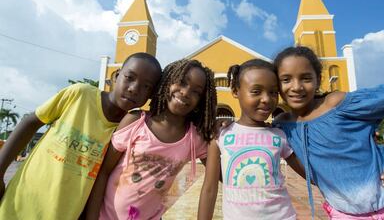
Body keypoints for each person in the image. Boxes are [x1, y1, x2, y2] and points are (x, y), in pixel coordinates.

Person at [0, 52, 162, 220]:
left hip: (67, 213)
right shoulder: (80, 94)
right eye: (130, 77)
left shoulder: (130, 130)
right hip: (20, 201)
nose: (134, 88)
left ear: (150, 95)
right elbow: (30, 122)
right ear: (116, 75)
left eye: (146, 87)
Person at [273, 46, 384, 219]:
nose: (296, 87)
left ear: (318, 79)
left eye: (306, 78)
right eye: (286, 80)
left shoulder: (337, 104)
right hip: (346, 214)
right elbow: (312, 175)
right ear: (277, 85)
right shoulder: (283, 127)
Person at [85, 59, 217, 220]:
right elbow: (103, 171)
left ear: (201, 101)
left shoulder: (194, 138)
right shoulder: (136, 121)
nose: (186, 92)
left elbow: (223, 174)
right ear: (166, 82)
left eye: (196, 91)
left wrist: (227, 129)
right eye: (182, 82)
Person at [198, 59, 305, 220]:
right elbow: (209, 189)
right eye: (256, 91)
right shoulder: (221, 135)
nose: (266, 99)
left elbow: (309, 173)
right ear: (235, 91)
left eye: (273, 92)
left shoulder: (279, 135)